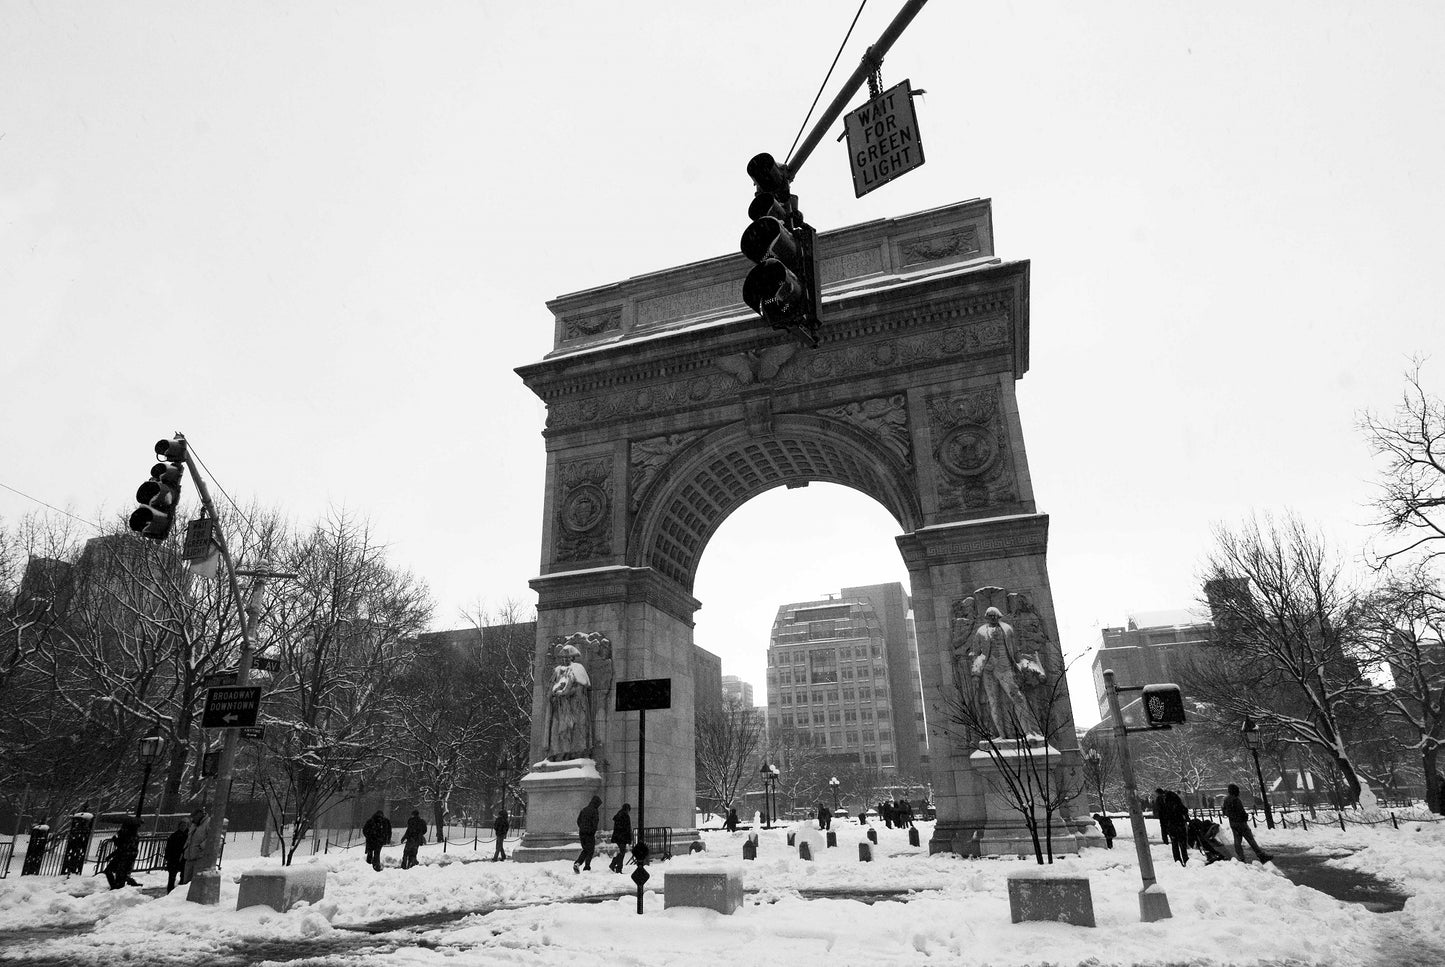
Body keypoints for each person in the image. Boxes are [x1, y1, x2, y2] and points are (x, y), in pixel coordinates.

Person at [958, 606, 1041, 737]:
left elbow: (1015, 650)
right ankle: (1001, 735)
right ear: (986, 617)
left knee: (1018, 698)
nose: (993, 618)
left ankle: (1028, 732)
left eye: (995, 616)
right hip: (988, 671)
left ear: (999, 616)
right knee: (993, 702)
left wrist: (1022, 665)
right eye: (990, 616)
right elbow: (976, 654)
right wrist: (976, 673)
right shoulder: (981, 631)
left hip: (1006, 668)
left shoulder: (1007, 629)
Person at [545, 643, 592, 760]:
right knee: (559, 730)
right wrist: (554, 693)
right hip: (560, 706)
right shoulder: (557, 670)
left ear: (572, 657)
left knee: (577, 728)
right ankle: (560, 752)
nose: (565, 659)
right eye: (563, 657)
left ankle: (576, 752)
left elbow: (581, 687)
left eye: (567, 657)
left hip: (575, 706)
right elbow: (551, 687)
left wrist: (566, 692)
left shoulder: (578, 668)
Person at [1222, 783, 1273, 863]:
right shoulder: (1236, 800)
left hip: (1233, 823)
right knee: (1250, 839)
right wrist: (1245, 816)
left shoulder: (1226, 800)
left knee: (1237, 841)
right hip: (1241, 823)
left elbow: (1224, 811)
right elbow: (1241, 811)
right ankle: (1260, 855)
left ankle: (1241, 857)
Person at [103, 817, 140, 890]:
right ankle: (117, 886)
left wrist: (115, 841)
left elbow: (123, 847)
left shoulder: (129, 835)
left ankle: (117, 887)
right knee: (116, 872)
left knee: (119, 874)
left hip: (124, 857)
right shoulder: (129, 834)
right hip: (124, 856)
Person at [1161, 788, 1190, 866]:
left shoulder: (1166, 805)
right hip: (1180, 825)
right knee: (1182, 844)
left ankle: (1177, 860)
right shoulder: (1178, 803)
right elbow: (1185, 810)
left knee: (1174, 844)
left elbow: (1165, 817)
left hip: (1171, 827)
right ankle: (1185, 858)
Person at [574, 794, 602, 873]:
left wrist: (582, 828)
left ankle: (578, 863)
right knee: (590, 850)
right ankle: (586, 867)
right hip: (589, 834)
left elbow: (578, 820)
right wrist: (592, 831)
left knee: (586, 849)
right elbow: (595, 823)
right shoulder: (594, 811)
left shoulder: (584, 809)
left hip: (582, 833)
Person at [182, 808, 209, 885]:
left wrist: (201, 846)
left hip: (200, 857)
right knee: (186, 881)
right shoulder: (194, 825)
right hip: (189, 857)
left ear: (199, 815)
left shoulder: (208, 823)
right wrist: (185, 848)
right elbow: (189, 838)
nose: (192, 819)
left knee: (196, 881)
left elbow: (211, 838)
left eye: (194, 817)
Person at [164, 817, 190, 892]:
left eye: (184, 825)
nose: (183, 827)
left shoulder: (188, 836)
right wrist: (167, 857)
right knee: (172, 877)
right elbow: (168, 848)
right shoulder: (174, 836)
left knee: (183, 876)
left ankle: (179, 892)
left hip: (183, 858)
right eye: (182, 825)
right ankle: (170, 891)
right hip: (174, 859)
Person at [609, 803, 633, 873]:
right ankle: (618, 868)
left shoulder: (619, 814)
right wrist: (629, 839)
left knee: (621, 852)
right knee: (622, 853)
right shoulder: (625, 816)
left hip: (618, 837)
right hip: (623, 837)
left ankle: (614, 864)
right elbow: (627, 828)